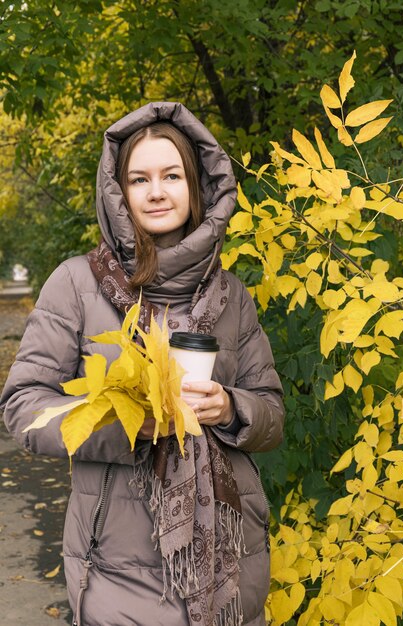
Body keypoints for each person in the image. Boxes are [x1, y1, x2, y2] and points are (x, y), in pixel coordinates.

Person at [0, 102, 285, 626]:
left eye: (171, 175)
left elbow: (271, 413)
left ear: (196, 186)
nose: (156, 191)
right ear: (119, 192)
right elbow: (23, 406)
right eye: (139, 179)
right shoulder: (77, 285)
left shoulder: (231, 295)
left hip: (231, 562)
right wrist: (125, 424)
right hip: (116, 564)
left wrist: (230, 408)